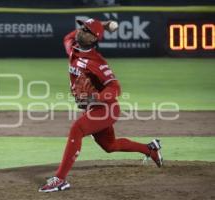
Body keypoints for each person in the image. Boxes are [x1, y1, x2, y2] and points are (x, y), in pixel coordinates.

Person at [38, 18, 163, 193]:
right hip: (94, 109)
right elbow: (67, 37)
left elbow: (115, 88)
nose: (81, 30)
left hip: (106, 109)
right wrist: (102, 24)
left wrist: (96, 96)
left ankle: (59, 179)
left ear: (94, 39)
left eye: (87, 30)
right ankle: (150, 149)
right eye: (82, 27)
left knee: (77, 129)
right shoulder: (73, 49)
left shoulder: (97, 62)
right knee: (110, 146)